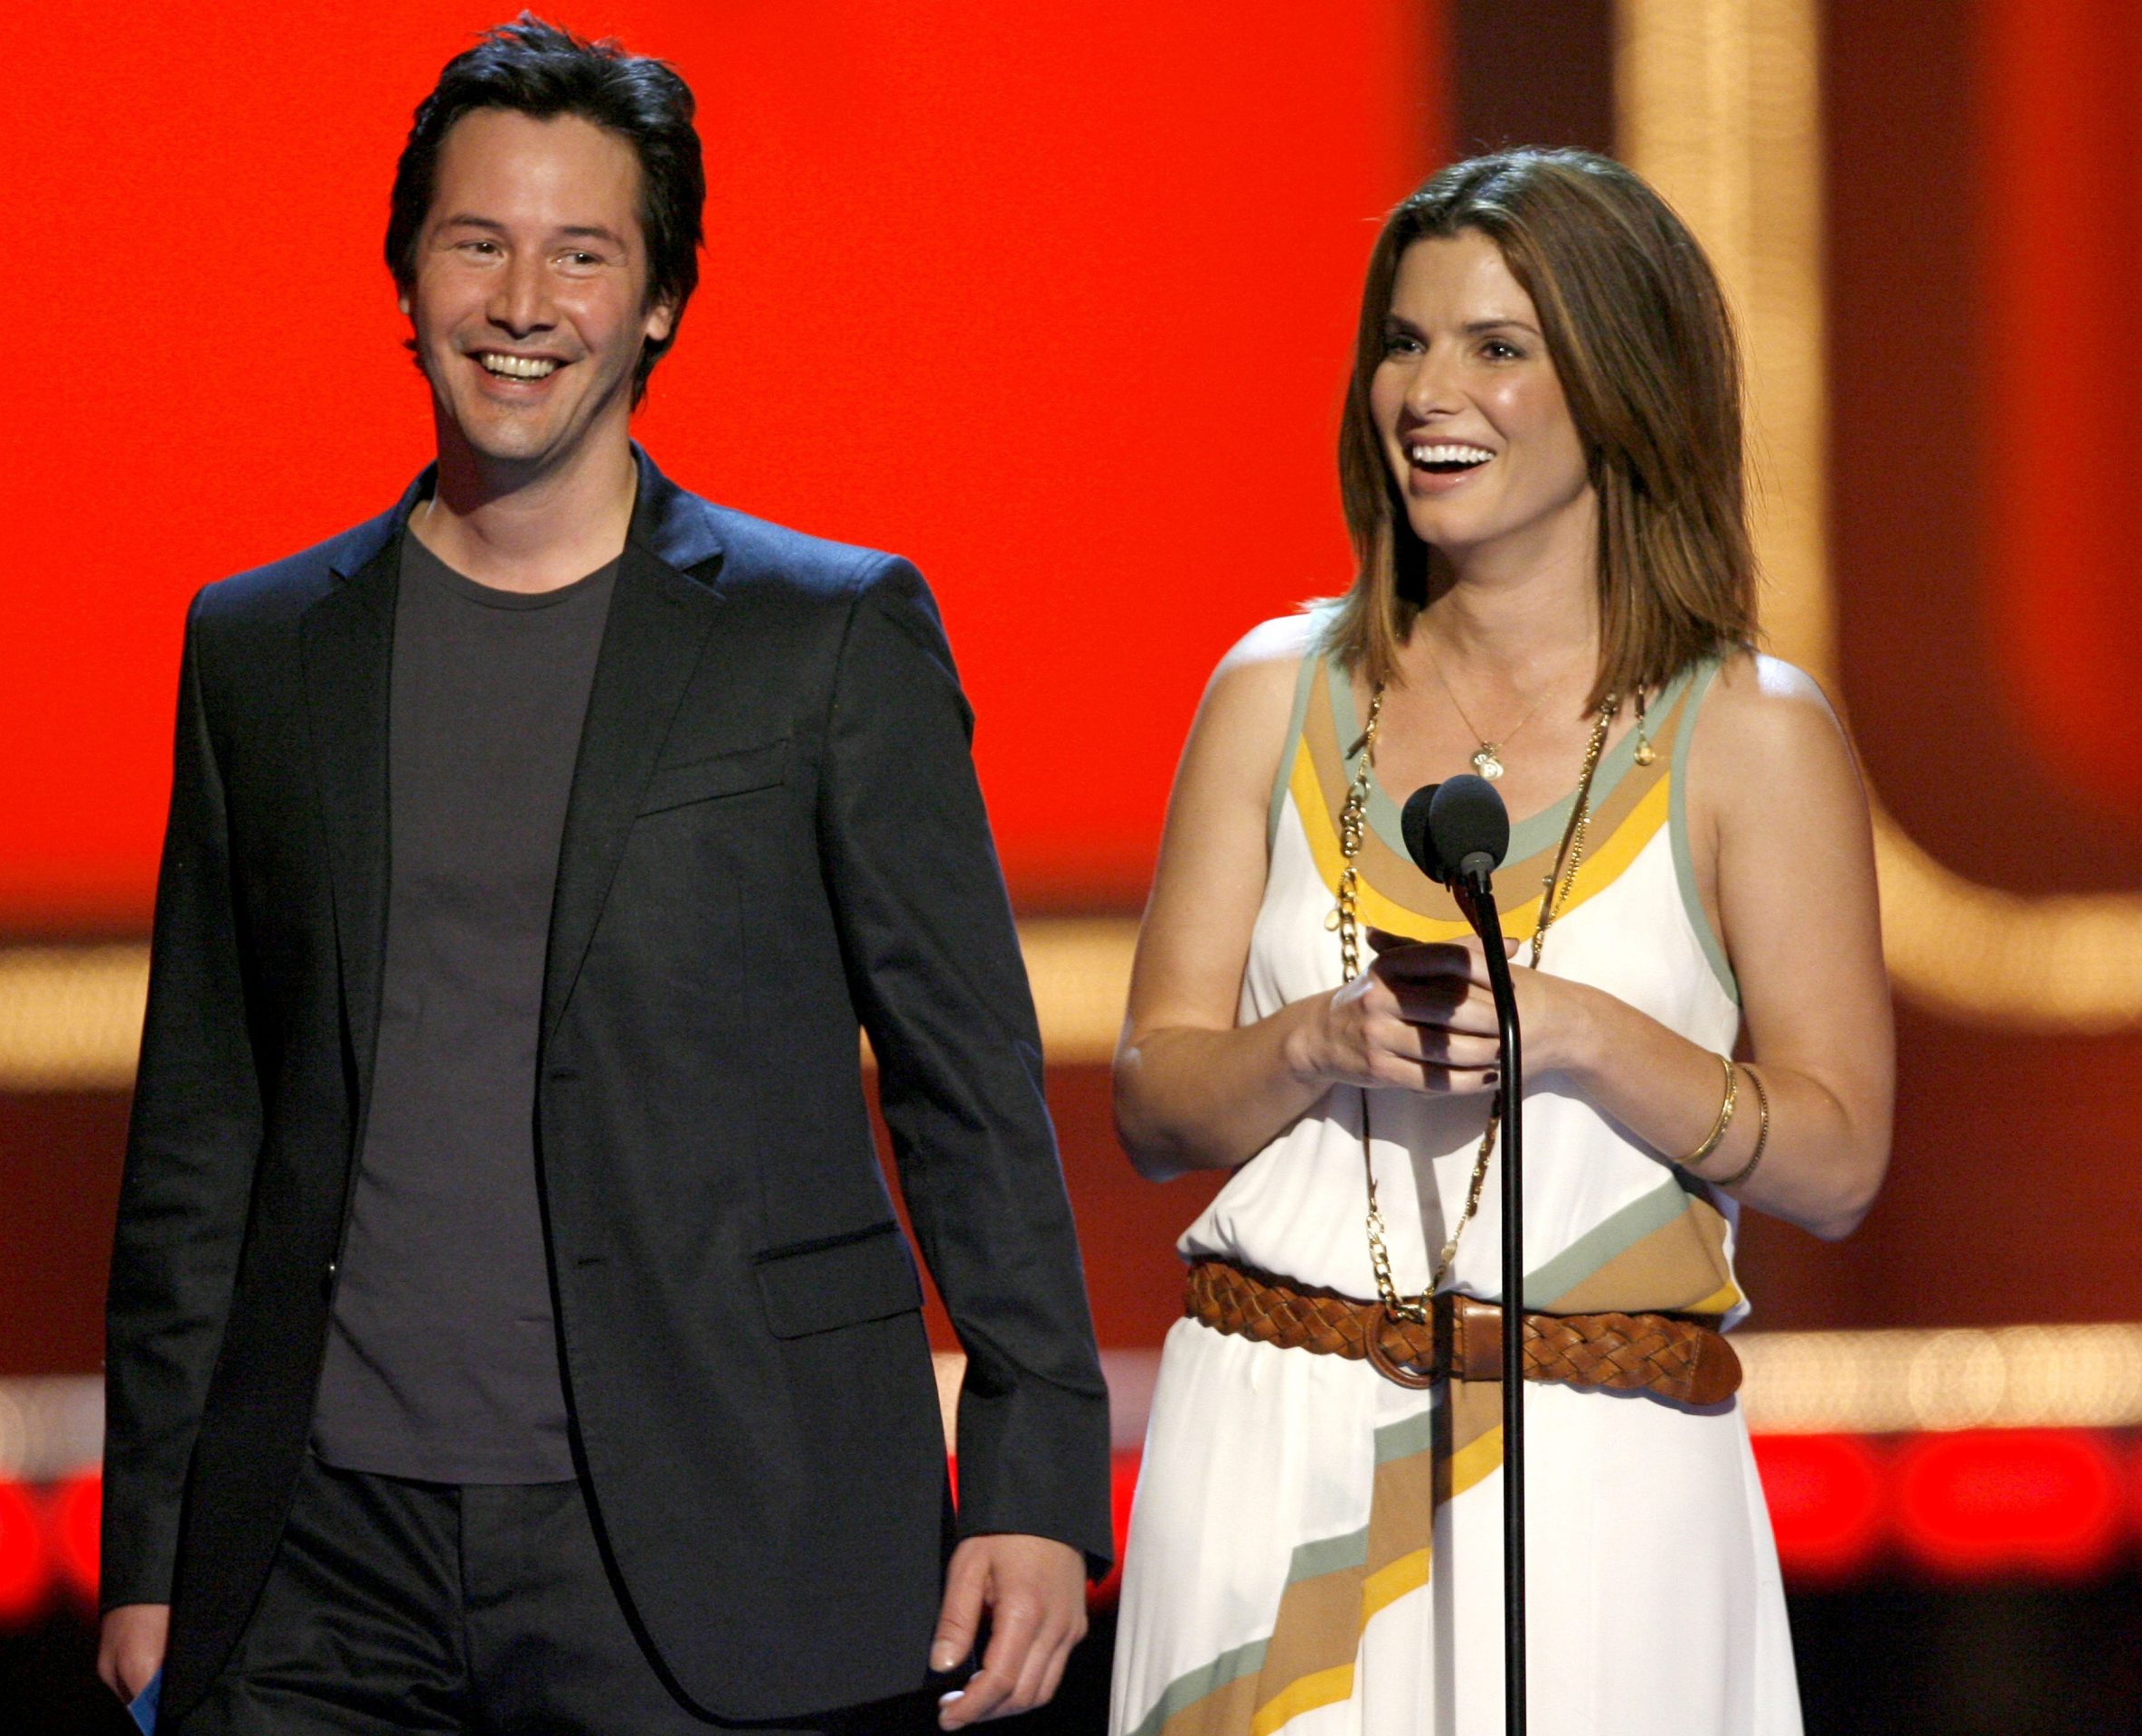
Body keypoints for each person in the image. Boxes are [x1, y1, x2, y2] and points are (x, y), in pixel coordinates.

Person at [96, 19, 1109, 1734]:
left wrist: (1033, 1467)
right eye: (476, 241)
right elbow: (206, 1121)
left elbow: (968, 1085)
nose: (519, 302)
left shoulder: (826, 635)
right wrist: (153, 1534)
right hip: (317, 1559)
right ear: (404, 271)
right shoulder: (261, 649)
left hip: (720, 1522)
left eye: (582, 254)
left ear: (659, 301)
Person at [1106, 148, 1892, 1736]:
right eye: (1403, 342)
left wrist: (1588, 1032)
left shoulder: (1749, 735)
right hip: (1268, 1439)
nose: (1427, 391)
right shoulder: (1274, 689)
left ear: (1624, 388)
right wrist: (1316, 1040)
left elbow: (1836, 1158)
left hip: (1600, 1471)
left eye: (1496, 346)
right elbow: (1154, 1100)